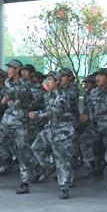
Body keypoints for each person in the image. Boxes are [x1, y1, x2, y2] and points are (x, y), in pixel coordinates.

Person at [29, 71, 75, 199]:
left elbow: (55, 111)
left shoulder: (63, 96)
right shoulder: (47, 95)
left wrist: (37, 114)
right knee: (36, 147)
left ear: (57, 82)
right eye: (47, 80)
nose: (47, 82)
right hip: (50, 129)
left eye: (50, 80)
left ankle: (64, 186)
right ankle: (49, 167)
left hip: (62, 131)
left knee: (62, 160)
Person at [83, 68, 107, 191]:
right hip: (96, 126)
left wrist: (89, 115)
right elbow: (89, 107)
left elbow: (104, 108)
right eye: (97, 76)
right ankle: (92, 165)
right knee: (84, 141)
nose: (97, 78)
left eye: (101, 76)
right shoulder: (94, 92)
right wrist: (85, 115)